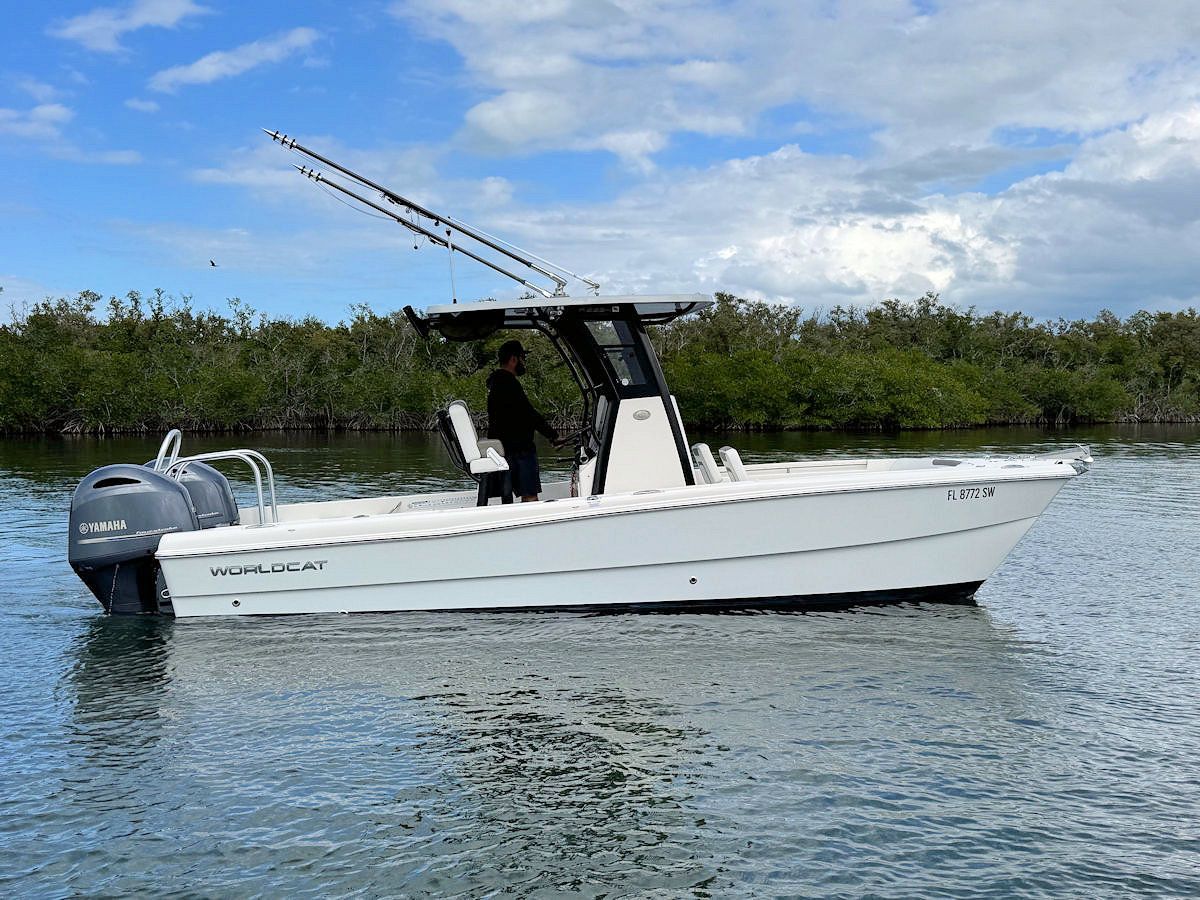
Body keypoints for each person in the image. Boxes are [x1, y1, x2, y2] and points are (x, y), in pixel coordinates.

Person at [486, 339, 560, 502]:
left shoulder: (496, 383)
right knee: (530, 495)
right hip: (518, 450)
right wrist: (553, 436)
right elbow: (529, 414)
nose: (524, 363)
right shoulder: (508, 383)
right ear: (514, 359)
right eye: (523, 358)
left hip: (504, 448)